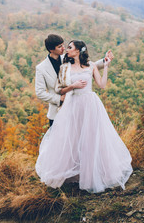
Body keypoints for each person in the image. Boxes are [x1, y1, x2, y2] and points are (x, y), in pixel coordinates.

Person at [35, 40, 133, 193]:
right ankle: (73, 173)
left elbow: (101, 85)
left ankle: (92, 174)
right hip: (73, 106)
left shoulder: (91, 65)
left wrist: (106, 65)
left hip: (90, 105)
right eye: (64, 47)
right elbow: (59, 90)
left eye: (69, 47)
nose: (66, 49)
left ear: (79, 50)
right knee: (73, 138)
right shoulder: (64, 67)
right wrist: (73, 86)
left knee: (91, 138)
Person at [35, 34, 112, 127]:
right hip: (56, 111)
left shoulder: (68, 57)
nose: (64, 48)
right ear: (51, 50)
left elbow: (85, 68)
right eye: (60, 47)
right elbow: (40, 92)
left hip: (75, 109)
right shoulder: (41, 68)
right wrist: (59, 99)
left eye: (63, 45)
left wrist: (104, 61)